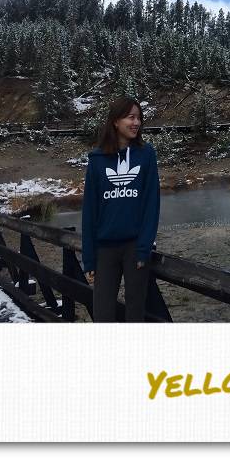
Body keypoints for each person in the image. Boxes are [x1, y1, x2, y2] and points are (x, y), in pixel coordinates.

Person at [81, 96, 161, 322]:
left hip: (135, 248)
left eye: (139, 118)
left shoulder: (146, 155)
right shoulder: (97, 160)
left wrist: (144, 247)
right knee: (103, 315)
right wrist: (88, 258)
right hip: (104, 249)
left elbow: (151, 204)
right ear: (115, 121)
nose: (136, 123)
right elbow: (90, 212)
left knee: (135, 315)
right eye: (130, 117)